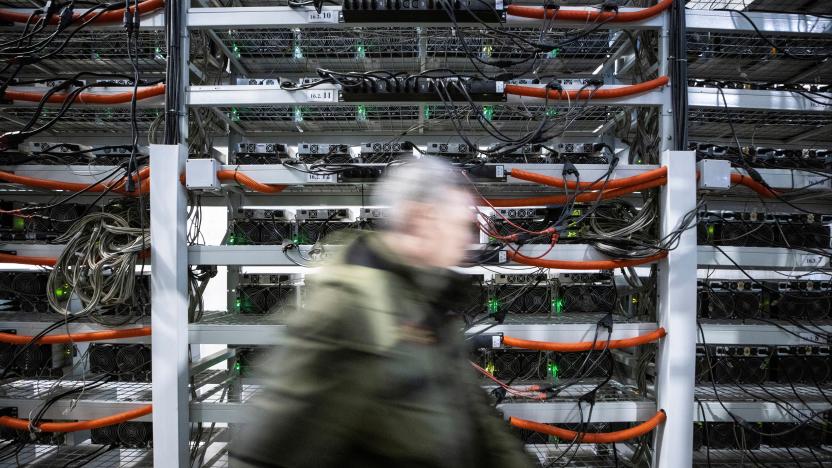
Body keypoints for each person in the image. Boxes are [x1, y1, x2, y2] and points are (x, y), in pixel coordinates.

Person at [230, 157, 536, 468]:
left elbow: (475, 416)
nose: (468, 238)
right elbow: (266, 450)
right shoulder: (347, 309)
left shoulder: (431, 301)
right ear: (423, 217)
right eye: (461, 225)